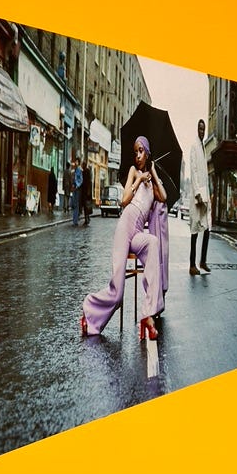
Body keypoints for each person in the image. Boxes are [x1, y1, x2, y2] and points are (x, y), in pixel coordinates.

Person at [80, 136, 166, 340]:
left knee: (152, 242)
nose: (137, 156)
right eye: (135, 152)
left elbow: (163, 196)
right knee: (117, 293)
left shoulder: (153, 183)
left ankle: (148, 315)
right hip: (124, 227)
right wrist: (138, 180)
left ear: (148, 153)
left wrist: (152, 172)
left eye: (141, 151)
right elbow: (124, 200)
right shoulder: (133, 172)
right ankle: (89, 312)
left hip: (137, 233)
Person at [189, 118, 211, 275]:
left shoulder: (203, 146)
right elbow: (194, 171)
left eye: (203, 129)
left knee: (208, 227)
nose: (201, 131)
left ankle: (202, 261)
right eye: (200, 129)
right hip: (198, 196)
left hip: (205, 193)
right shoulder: (194, 147)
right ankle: (192, 265)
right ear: (197, 129)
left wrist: (206, 193)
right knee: (195, 230)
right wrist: (197, 193)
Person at [71, 158, 83, 226]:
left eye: (76, 161)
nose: (75, 163)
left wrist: (77, 185)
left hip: (77, 189)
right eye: (75, 161)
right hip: (74, 188)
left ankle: (75, 221)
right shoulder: (75, 170)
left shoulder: (79, 170)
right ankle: (74, 220)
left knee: (76, 205)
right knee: (74, 204)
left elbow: (80, 179)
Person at [81, 158, 92, 226]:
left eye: (83, 165)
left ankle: (87, 218)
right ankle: (87, 218)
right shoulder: (84, 171)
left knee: (86, 206)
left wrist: (88, 191)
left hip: (86, 192)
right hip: (85, 192)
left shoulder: (86, 171)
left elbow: (88, 182)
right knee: (85, 206)